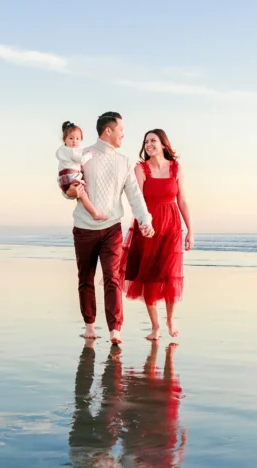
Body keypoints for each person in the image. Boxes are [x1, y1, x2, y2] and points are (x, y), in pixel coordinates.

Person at [63, 112, 155, 344]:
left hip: (112, 228)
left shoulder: (124, 162)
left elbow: (135, 196)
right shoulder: (82, 156)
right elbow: (67, 187)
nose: (124, 133)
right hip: (84, 228)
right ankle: (90, 326)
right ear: (108, 131)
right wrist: (69, 192)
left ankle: (115, 330)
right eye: (121, 129)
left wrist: (145, 220)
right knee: (85, 278)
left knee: (113, 278)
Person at [121, 129, 193, 340]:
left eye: (153, 140)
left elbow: (182, 201)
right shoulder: (140, 168)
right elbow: (136, 199)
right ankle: (155, 327)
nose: (149, 144)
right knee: (149, 276)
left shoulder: (176, 168)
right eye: (146, 141)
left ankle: (170, 319)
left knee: (170, 275)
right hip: (148, 227)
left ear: (163, 144)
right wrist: (143, 223)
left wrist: (190, 231)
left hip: (172, 227)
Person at [55, 121, 107, 221]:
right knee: (84, 196)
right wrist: (89, 154)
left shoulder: (63, 151)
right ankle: (94, 214)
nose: (74, 141)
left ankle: (93, 213)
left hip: (63, 179)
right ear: (64, 140)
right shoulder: (70, 151)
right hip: (70, 176)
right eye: (71, 138)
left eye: (77, 139)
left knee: (81, 195)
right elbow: (81, 160)